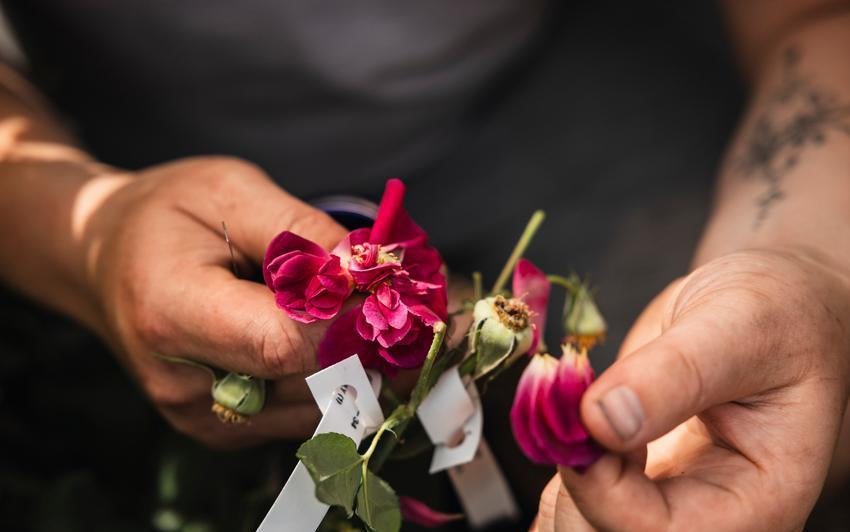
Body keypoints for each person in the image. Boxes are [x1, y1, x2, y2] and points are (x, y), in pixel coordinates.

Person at [0, 1, 849, 530]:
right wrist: (93, 239)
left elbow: (815, 18)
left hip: (569, 84)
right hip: (152, 151)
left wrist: (807, 262)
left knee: (743, 421)